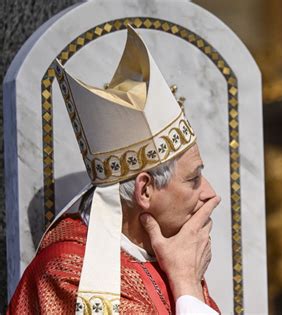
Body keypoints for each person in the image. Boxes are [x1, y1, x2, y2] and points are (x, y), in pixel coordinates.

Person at [7, 26, 221, 314]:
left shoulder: (170, 251)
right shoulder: (70, 277)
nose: (211, 195)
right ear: (144, 190)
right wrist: (187, 285)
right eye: (193, 179)